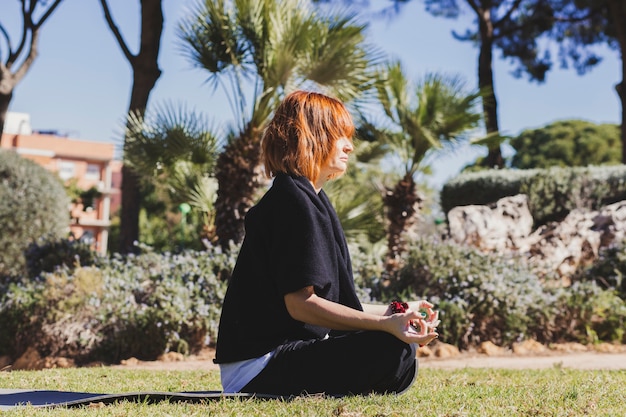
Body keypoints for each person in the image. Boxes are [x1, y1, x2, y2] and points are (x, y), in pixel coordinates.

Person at [214, 90, 439, 397]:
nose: (349, 146)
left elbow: (338, 307)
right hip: (260, 368)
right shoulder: (291, 200)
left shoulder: (308, 198)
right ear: (311, 137)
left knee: (396, 346)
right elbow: (300, 306)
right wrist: (387, 328)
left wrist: (395, 313)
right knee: (391, 349)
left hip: (281, 358)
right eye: (339, 136)